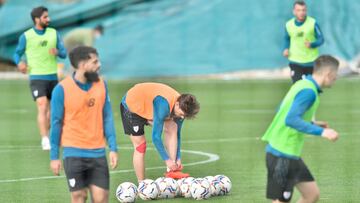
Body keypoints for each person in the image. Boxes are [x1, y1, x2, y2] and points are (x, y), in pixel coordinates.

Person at [262, 55, 340, 203]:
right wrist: (323, 132)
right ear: (328, 74)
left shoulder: (302, 84)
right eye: (336, 76)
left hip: (290, 153)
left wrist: (312, 124)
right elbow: (290, 119)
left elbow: (283, 109)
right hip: (281, 153)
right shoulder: (308, 92)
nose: (336, 79)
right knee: (281, 201)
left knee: (312, 194)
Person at [49, 46, 118, 203]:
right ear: (82, 65)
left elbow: (107, 117)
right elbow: (56, 123)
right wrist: (54, 156)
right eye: (94, 62)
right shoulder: (61, 90)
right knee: (79, 197)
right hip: (73, 154)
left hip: (98, 153)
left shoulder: (102, 85)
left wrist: (113, 148)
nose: (99, 65)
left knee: (101, 198)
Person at [120, 83, 200, 182]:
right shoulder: (162, 104)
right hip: (132, 106)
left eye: (185, 116)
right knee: (140, 146)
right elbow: (156, 137)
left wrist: (177, 158)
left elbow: (177, 134)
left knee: (173, 129)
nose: (182, 117)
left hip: (149, 106)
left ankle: (172, 171)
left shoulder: (183, 108)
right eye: (182, 114)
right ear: (177, 104)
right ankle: (142, 184)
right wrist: (167, 160)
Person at [13, 6, 67, 150]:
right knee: (42, 105)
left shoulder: (54, 33)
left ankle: (49, 133)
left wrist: (58, 51)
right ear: (37, 19)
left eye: (48, 16)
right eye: (45, 17)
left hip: (53, 77)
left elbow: (63, 53)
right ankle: (44, 139)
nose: (48, 19)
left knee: (52, 111)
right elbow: (17, 53)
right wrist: (20, 63)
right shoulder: (26, 36)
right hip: (37, 77)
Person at [283, 0, 324, 83]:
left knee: (311, 88)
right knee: (297, 87)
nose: (301, 12)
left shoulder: (312, 23)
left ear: (306, 11)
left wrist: (312, 44)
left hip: (311, 62)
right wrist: (286, 48)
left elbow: (321, 39)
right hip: (295, 61)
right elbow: (287, 38)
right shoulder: (289, 25)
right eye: (298, 10)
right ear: (294, 12)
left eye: (303, 10)